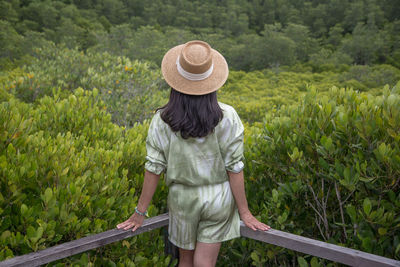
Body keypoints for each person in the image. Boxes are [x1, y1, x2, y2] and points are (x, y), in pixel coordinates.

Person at [117, 40, 270, 267]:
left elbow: (153, 168)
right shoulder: (228, 116)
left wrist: (140, 212)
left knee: (185, 261)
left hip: (182, 199)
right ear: (212, 82)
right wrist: (245, 213)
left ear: (175, 82)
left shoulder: (162, 120)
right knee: (205, 262)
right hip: (219, 198)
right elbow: (235, 167)